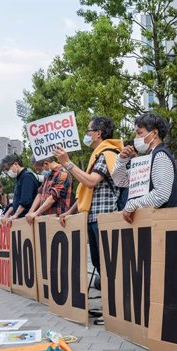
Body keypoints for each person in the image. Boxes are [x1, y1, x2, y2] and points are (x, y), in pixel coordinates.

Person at [55, 116, 122, 282]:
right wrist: (70, 212)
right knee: (98, 262)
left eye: (88, 131)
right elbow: (87, 192)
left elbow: (90, 182)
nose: (86, 135)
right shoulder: (97, 155)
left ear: (97, 133)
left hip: (104, 217)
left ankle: (115, 300)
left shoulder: (107, 154)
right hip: (93, 218)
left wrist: (68, 163)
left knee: (108, 264)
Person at [112, 112, 177, 223]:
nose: (136, 138)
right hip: (150, 223)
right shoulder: (147, 159)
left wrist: (132, 204)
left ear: (154, 133)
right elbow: (121, 181)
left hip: (162, 225)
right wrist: (121, 160)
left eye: (139, 133)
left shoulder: (160, 156)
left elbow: (161, 194)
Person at [25, 156, 72, 224]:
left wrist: (36, 213)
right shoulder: (47, 175)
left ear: (46, 164)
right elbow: (40, 193)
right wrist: (31, 211)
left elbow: (53, 198)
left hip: (58, 219)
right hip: (46, 219)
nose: (39, 172)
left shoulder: (62, 174)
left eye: (39, 169)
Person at [0, 154, 40, 221]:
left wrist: (15, 215)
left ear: (15, 164)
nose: (7, 172)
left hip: (27, 218)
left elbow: (25, 201)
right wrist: (6, 215)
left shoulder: (27, 177)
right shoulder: (19, 178)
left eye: (7, 169)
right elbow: (16, 202)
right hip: (22, 217)